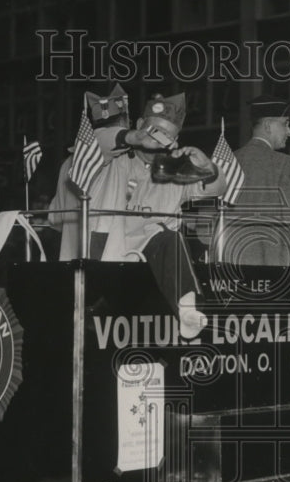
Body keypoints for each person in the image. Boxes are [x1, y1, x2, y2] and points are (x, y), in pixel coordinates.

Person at [91, 92, 226, 339]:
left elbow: (215, 189)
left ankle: (187, 310)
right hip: (108, 267)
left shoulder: (175, 171)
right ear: (140, 125)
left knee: (168, 235)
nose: (158, 142)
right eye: (154, 132)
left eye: (167, 136)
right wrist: (134, 137)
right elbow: (96, 142)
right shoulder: (111, 161)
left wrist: (207, 168)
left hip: (156, 275)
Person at [225, 94, 290, 266]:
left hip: (228, 265)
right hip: (272, 268)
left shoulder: (226, 161)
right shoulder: (284, 163)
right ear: (268, 126)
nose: (289, 132)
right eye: (285, 123)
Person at [48, 86, 130, 261]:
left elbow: (55, 219)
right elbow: (109, 140)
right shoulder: (114, 157)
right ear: (123, 124)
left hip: (71, 249)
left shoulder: (67, 163)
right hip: (101, 244)